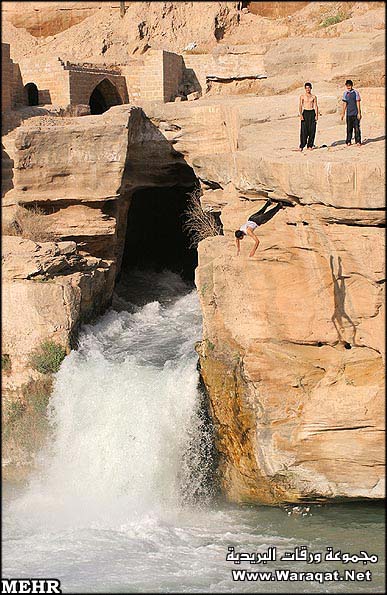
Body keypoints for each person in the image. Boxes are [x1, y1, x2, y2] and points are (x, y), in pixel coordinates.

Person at [341, 79, 362, 146]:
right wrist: (343, 113)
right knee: (349, 128)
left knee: (357, 128)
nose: (348, 87)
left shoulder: (356, 92)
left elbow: (358, 102)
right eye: (347, 86)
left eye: (349, 86)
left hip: (355, 113)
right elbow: (344, 104)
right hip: (349, 114)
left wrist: (359, 113)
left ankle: (358, 141)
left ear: (352, 85)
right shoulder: (345, 93)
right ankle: (348, 141)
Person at [299, 82, 318, 151]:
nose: (308, 89)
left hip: (312, 112)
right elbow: (300, 106)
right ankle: (302, 145)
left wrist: (317, 115)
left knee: (312, 130)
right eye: (306, 88)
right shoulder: (302, 96)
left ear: (311, 88)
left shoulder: (314, 97)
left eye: (309, 88)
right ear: (305, 89)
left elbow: (316, 106)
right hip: (305, 112)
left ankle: (310, 145)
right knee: (304, 130)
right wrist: (301, 115)